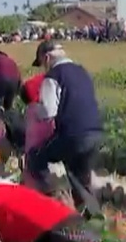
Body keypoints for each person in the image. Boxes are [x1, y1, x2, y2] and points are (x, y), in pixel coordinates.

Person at [26, 41, 103, 213]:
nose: (43, 68)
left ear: (46, 58)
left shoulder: (53, 76)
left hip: (73, 135)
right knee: (79, 176)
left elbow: (48, 112)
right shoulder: (82, 71)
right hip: (96, 131)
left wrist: (34, 109)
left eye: (42, 64)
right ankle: (92, 216)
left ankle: (54, 202)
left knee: (35, 158)